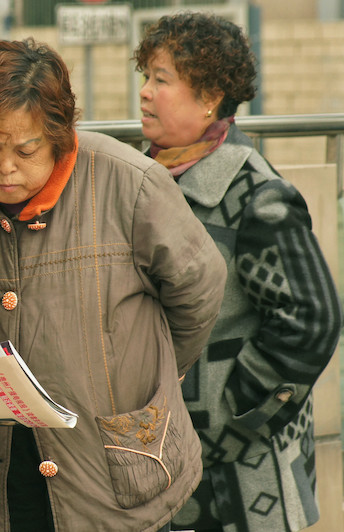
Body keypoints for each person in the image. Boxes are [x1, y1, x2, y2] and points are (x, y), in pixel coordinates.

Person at [0, 38, 227, 532]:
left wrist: (158, 369)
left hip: (114, 468)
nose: (6, 167)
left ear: (58, 135)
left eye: (26, 150)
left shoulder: (130, 184)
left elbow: (199, 288)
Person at [134, 12, 343, 532]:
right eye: (146, 77)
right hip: (160, 457)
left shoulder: (257, 197)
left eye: (161, 80)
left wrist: (234, 419)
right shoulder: (143, 179)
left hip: (245, 481)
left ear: (209, 97)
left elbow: (310, 322)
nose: (144, 93)